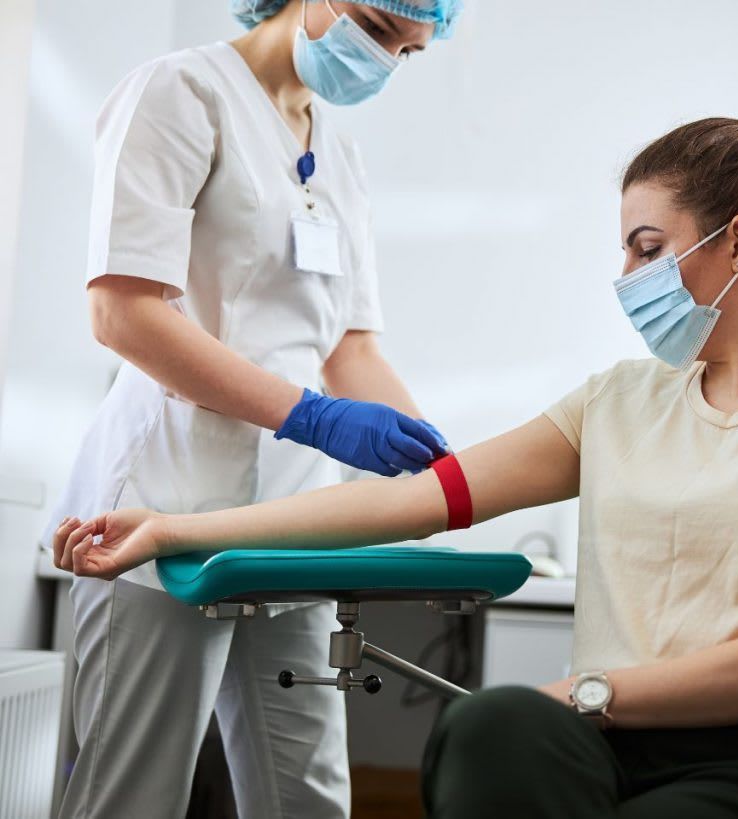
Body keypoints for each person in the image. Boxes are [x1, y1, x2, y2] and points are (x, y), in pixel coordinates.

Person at [56, 57, 738, 818]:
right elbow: (414, 502)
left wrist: (587, 693)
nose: (625, 276)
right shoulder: (620, 400)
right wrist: (172, 528)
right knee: (486, 724)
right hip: (606, 744)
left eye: (646, 248)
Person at [46, 1, 462, 816]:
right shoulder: (182, 92)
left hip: (292, 524)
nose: (384, 61)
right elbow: (124, 311)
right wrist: (313, 416)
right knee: (134, 796)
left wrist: (448, 472)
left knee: (309, 796)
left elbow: (351, 350)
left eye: (408, 51)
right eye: (378, 29)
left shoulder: (340, 155)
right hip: (164, 496)